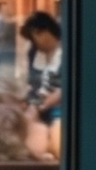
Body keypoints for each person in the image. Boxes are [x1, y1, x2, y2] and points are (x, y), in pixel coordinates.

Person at [21, 11, 64, 160]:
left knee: (58, 143)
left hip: (60, 111)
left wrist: (57, 96)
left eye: (34, 37)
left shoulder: (67, 51)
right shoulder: (34, 53)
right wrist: (29, 102)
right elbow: (33, 85)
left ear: (45, 32)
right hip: (38, 108)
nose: (34, 42)